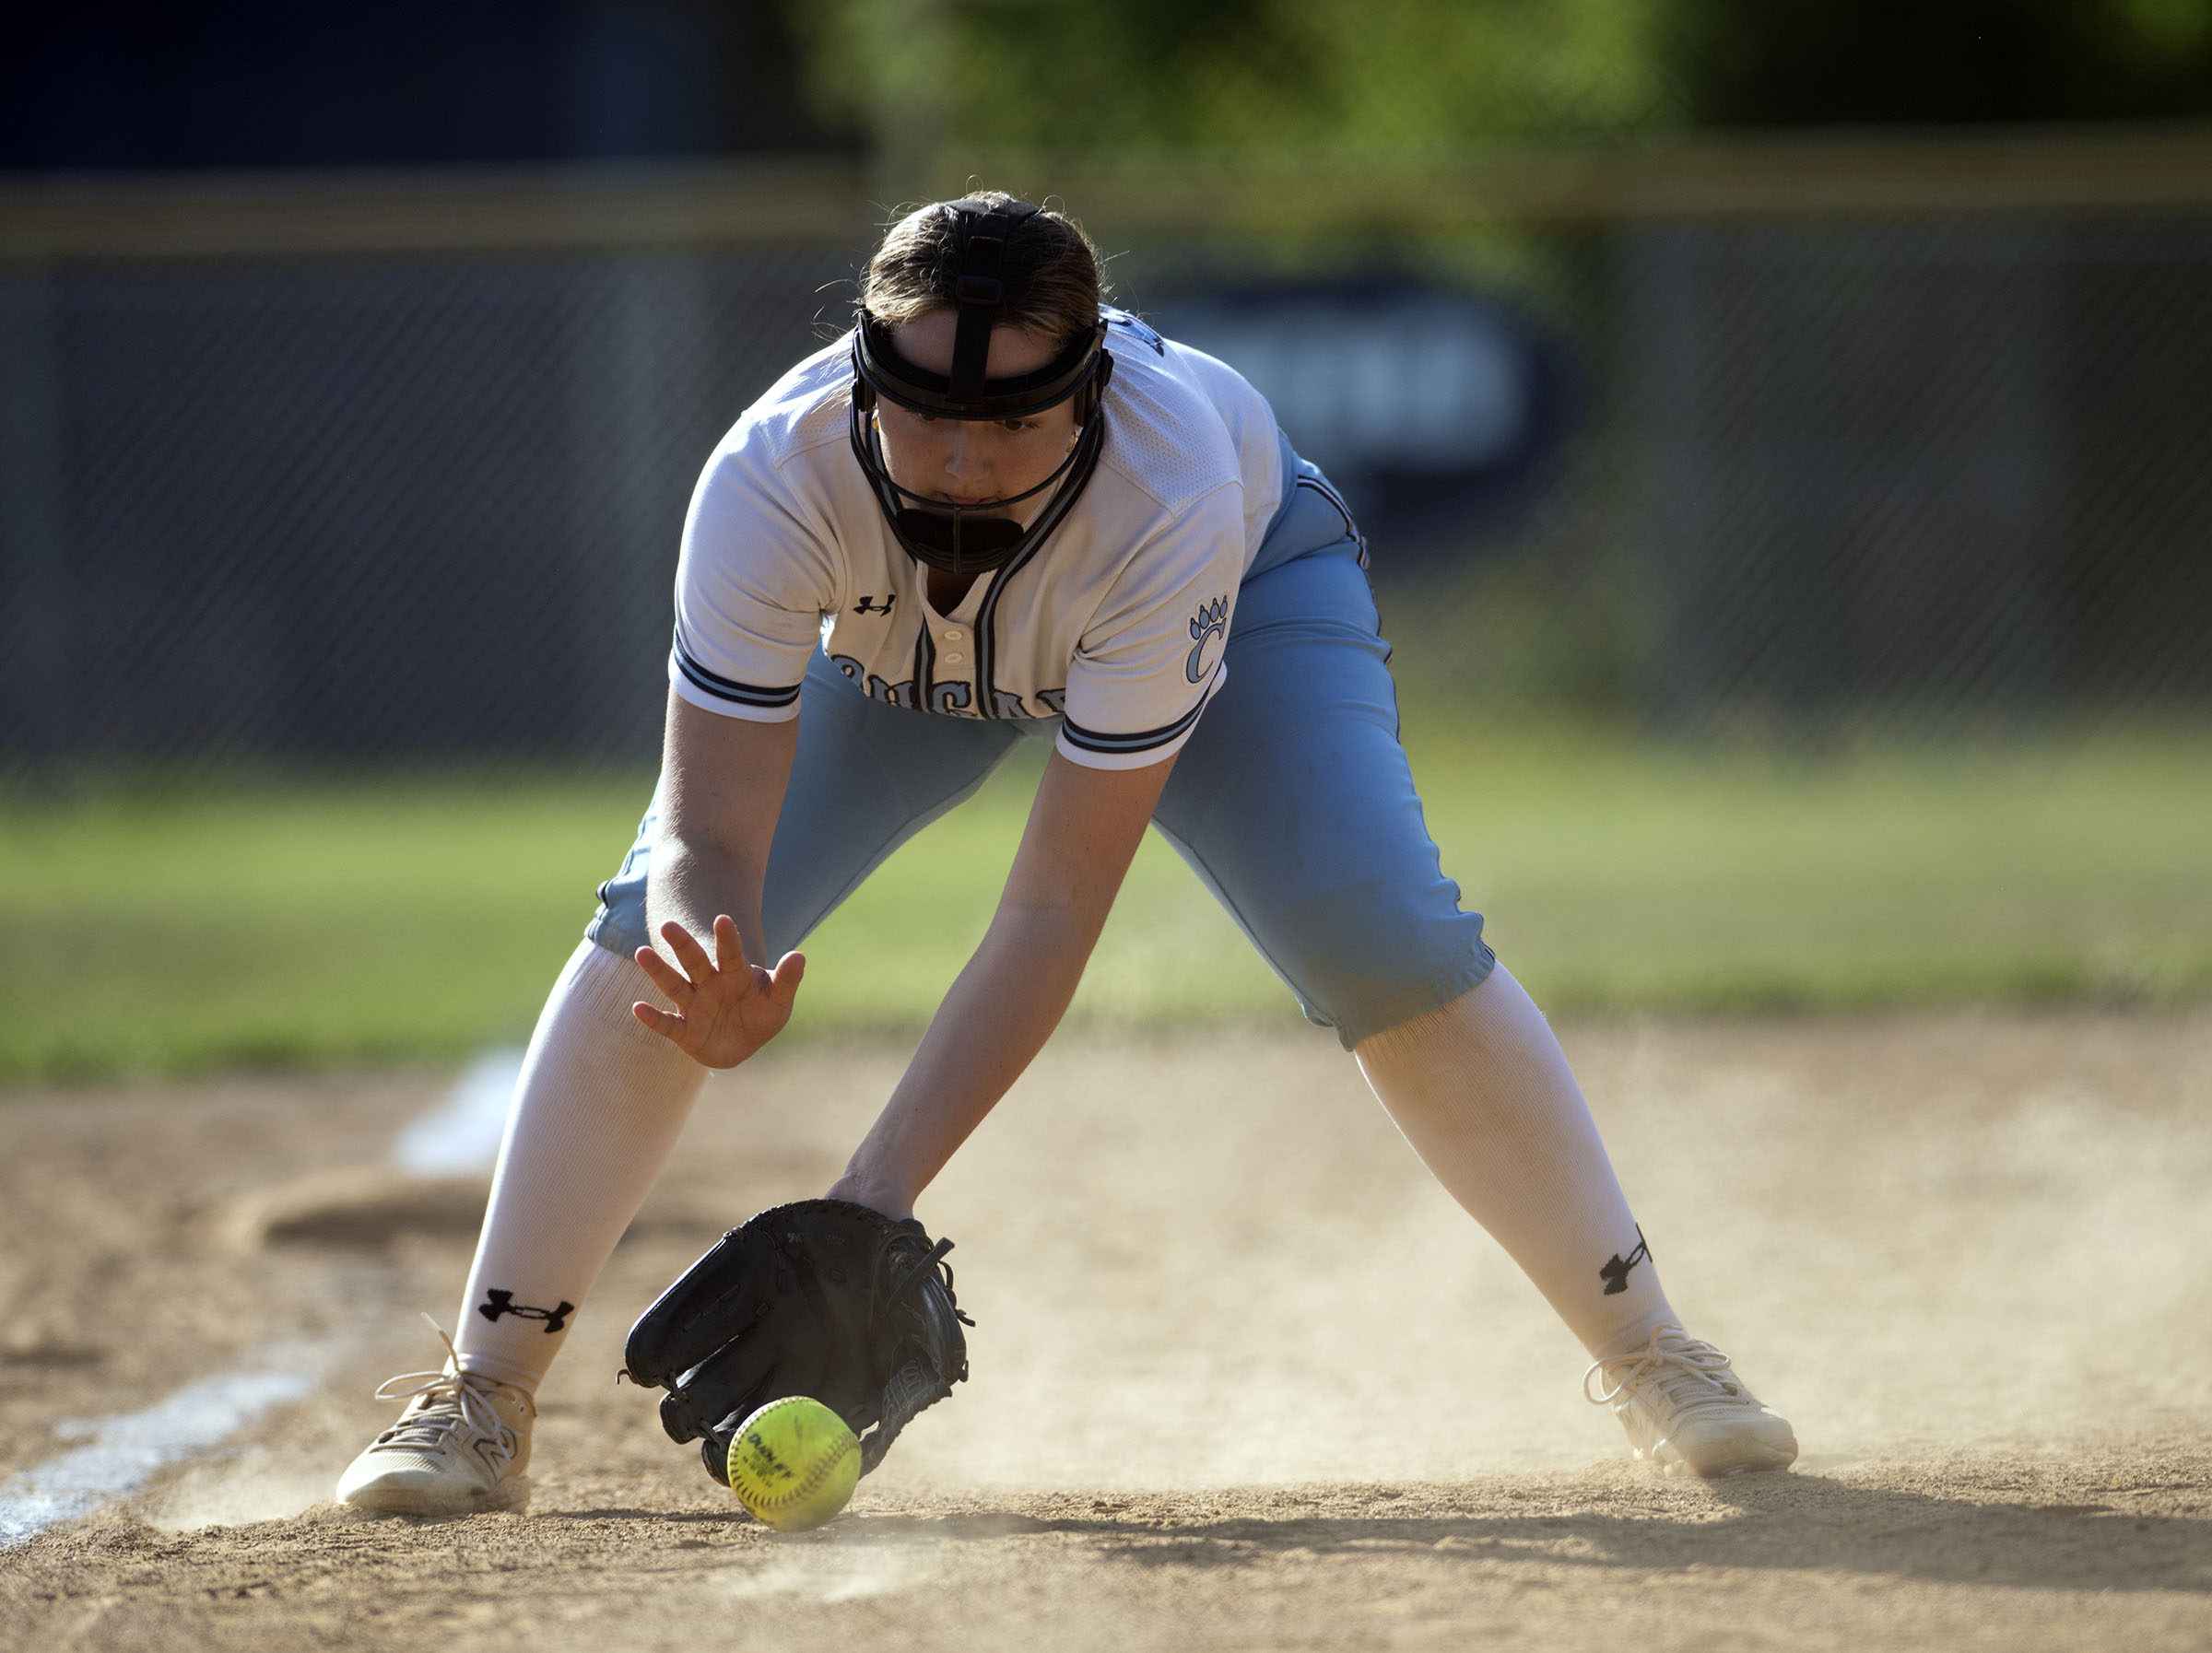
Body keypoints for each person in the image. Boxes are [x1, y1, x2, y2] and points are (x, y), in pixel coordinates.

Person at [335, 194, 1796, 1515]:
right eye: (923, 417)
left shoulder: (1167, 491)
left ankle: (1654, 1346)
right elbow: (707, 829)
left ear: (1089, 387)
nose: (965, 464)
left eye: (1015, 424)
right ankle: (483, 1397)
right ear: (860, 375)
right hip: (892, 654)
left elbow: (1050, 905)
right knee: (641, 938)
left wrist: (872, 1197)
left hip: (1241, 582)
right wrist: (706, 946)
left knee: (1374, 923)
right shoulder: (769, 480)